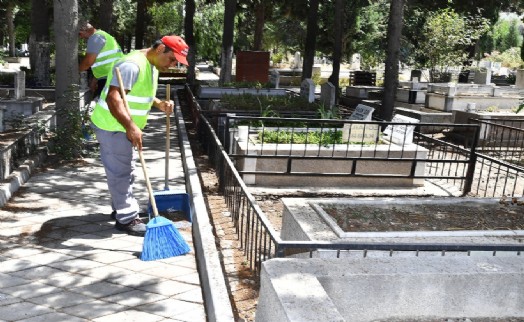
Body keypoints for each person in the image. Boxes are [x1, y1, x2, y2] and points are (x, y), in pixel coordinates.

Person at [90, 35, 189, 236]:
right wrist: (130, 126)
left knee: (126, 168)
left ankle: (122, 207)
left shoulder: (150, 64)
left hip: (122, 126)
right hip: (113, 126)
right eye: (172, 60)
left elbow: (138, 93)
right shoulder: (132, 65)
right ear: (161, 49)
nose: (172, 65)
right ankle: (127, 218)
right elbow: (113, 97)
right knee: (121, 171)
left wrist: (159, 103)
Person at [79, 22, 124, 99]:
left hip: (110, 78)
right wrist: (94, 80)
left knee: (105, 107)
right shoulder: (103, 35)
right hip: (114, 76)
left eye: (79, 34)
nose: (80, 37)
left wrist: (75, 71)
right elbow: (102, 62)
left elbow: (88, 62)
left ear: (84, 30)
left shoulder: (95, 38)